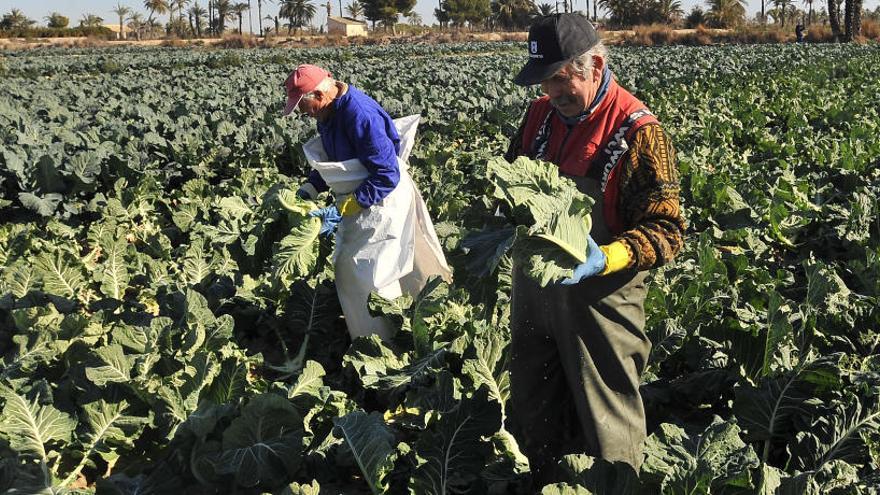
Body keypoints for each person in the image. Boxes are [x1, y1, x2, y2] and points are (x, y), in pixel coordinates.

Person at [504, 13, 686, 486]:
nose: (554, 93)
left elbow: (667, 230)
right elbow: (509, 173)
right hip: (538, 289)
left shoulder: (638, 132)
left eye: (562, 79)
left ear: (597, 65)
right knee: (533, 399)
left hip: (603, 298)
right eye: (545, 82)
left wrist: (604, 258)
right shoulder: (540, 117)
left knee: (606, 414)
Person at [283, 64, 451, 341]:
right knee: (360, 271)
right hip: (360, 200)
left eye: (304, 106)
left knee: (372, 274)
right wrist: (311, 187)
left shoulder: (358, 114)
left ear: (319, 95)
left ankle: (386, 345)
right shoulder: (327, 112)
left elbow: (387, 174)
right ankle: (381, 337)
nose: (303, 114)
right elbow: (336, 158)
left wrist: (348, 206)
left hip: (382, 203)